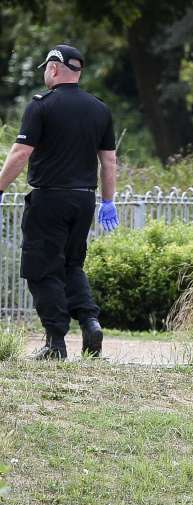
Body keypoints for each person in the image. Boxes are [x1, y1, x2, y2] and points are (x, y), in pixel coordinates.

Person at [0, 44, 119, 360]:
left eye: (45, 68)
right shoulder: (99, 109)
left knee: (42, 268)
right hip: (84, 201)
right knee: (71, 264)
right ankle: (90, 321)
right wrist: (108, 201)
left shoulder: (41, 106)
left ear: (53, 68)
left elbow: (21, 153)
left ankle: (55, 343)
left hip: (49, 198)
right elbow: (109, 162)